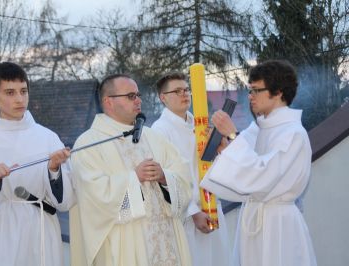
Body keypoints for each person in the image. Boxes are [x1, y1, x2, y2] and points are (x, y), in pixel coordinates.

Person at [0, 62, 75, 266]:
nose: (19, 99)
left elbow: (66, 199)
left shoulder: (47, 137)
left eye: (23, 91)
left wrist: (54, 170)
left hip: (41, 230)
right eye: (10, 92)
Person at [200, 60, 317, 266]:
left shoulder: (293, 134)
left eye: (256, 90)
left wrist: (233, 135)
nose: (250, 97)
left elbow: (262, 176)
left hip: (278, 224)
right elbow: (243, 167)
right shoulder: (259, 129)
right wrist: (224, 149)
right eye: (249, 90)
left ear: (278, 92)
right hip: (254, 218)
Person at [69, 73, 192, 266]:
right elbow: (93, 196)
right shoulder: (89, 143)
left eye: (138, 95)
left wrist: (165, 177)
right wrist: (134, 178)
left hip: (166, 241)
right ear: (108, 102)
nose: (138, 100)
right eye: (130, 96)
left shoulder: (153, 137)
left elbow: (184, 175)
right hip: (125, 245)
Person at [151, 72, 232, 266]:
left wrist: (219, 144)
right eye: (177, 91)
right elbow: (163, 179)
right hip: (186, 216)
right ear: (163, 97)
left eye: (186, 90)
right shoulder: (159, 130)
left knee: (219, 260)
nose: (184, 94)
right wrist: (193, 211)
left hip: (211, 207)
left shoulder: (200, 125)